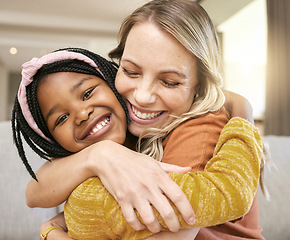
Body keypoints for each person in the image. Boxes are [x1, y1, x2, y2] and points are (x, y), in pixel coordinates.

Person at [20, 0, 265, 237]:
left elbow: (177, 228)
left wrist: (57, 228)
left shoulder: (199, 128)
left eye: (169, 81)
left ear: (199, 86)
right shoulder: (129, 131)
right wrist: (98, 155)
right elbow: (34, 193)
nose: (143, 96)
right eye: (131, 71)